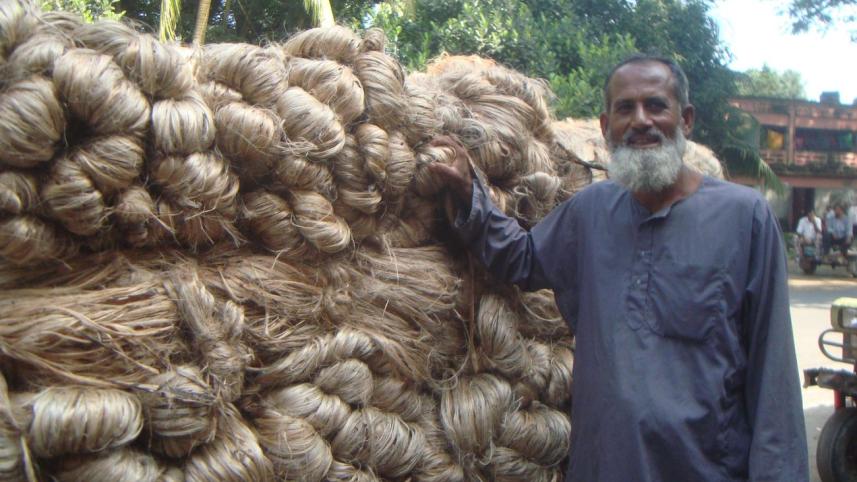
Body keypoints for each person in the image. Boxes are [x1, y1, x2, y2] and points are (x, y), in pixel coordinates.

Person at [430, 54, 808, 481]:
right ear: (607, 128)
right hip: (604, 466)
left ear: (685, 120)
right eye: (626, 108)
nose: (641, 121)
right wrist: (469, 193)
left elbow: (773, 373)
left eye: (656, 106)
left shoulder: (744, 217)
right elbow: (524, 258)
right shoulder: (591, 211)